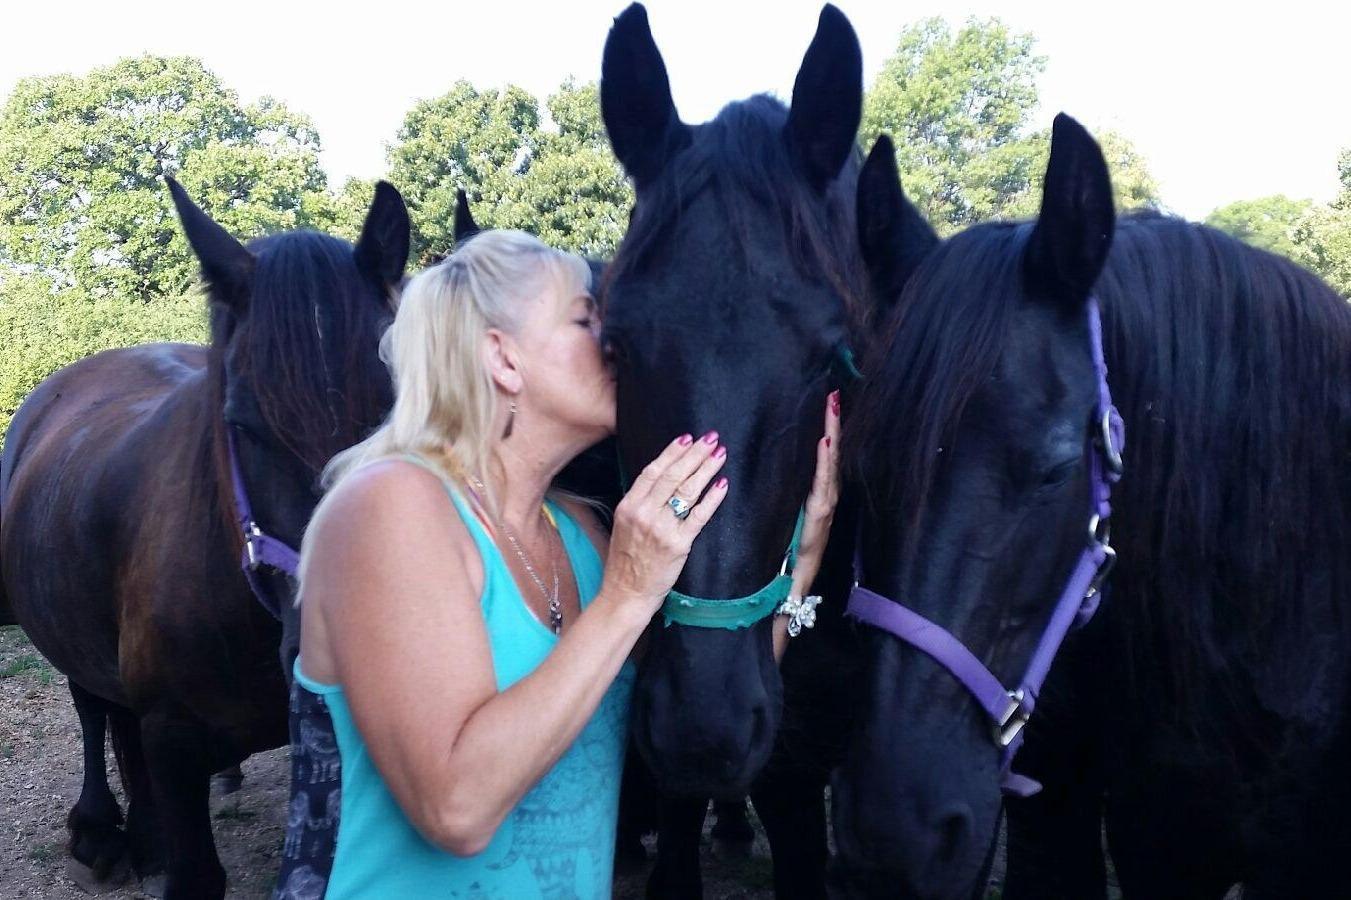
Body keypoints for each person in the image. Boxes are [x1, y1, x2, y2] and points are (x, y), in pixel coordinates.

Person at [278, 229, 840, 899]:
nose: (615, 338)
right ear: (502, 358)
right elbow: (455, 810)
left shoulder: (577, 533)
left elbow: (697, 714)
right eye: (584, 318)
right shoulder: (389, 507)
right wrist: (628, 594)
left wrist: (804, 560)